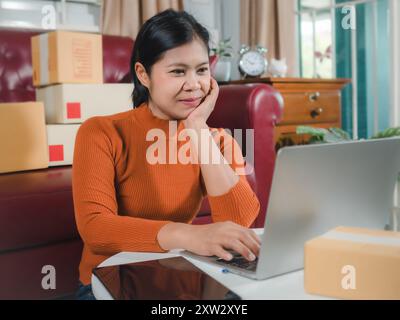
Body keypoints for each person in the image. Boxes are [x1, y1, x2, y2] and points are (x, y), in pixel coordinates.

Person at [72, 9, 261, 300]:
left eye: (201, 70)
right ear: (143, 74)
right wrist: (189, 235)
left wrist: (197, 127)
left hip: (178, 284)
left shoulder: (215, 140)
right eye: (177, 71)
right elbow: (96, 228)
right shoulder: (100, 132)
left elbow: (238, 222)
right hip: (109, 284)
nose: (194, 84)